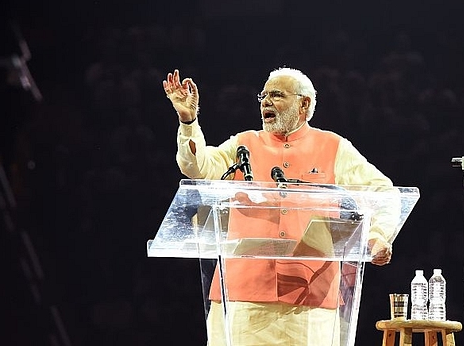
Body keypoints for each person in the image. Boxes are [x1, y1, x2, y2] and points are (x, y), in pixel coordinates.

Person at [163, 67, 399, 346]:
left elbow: (384, 193)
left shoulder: (334, 147)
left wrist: (378, 235)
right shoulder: (243, 144)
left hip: (312, 301)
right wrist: (188, 120)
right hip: (244, 297)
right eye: (263, 95)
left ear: (304, 104)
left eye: (277, 95)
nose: (265, 101)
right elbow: (197, 167)